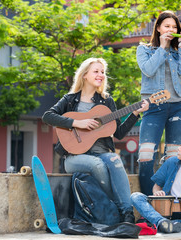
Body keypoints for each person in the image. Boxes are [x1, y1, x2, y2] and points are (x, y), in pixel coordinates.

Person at [42, 57, 149, 223]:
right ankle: (115, 205)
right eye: (96, 71)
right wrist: (77, 123)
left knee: (115, 159)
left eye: (103, 72)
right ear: (85, 75)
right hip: (73, 157)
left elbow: (119, 133)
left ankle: (127, 213)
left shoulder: (107, 102)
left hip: (102, 153)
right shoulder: (70, 100)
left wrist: (135, 114)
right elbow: (47, 116)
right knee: (96, 164)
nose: (101, 75)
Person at [137, 10, 181, 196]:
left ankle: (169, 202)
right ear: (159, 28)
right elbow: (148, 70)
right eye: (167, 26)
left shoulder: (178, 52)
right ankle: (147, 203)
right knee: (145, 155)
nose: (171, 29)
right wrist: (161, 47)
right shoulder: (144, 49)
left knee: (173, 158)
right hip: (153, 107)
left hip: (179, 106)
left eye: (174, 27)